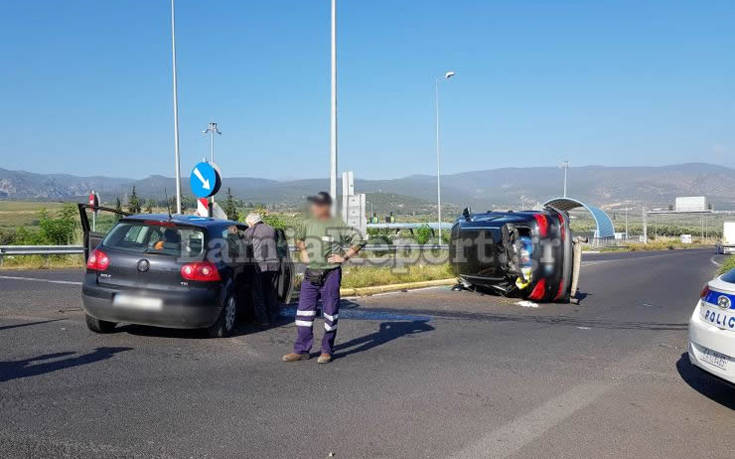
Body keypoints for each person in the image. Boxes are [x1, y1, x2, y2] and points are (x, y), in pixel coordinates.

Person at [282, 192, 366, 364]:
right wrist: (303, 250)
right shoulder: (306, 222)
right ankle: (301, 350)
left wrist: (344, 257)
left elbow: (360, 239)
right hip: (311, 274)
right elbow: (298, 238)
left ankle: (327, 350)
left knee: (330, 313)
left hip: (331, 274)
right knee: (304, 313)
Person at [244, 213, 280, 326]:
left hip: (260, 265)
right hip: (274, 264)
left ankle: (263, 320)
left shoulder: (251, 231)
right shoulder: (271, 229)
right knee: (270, 290)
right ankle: (273, 316)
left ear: (251, 223)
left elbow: (243, 245)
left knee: (258, 293)